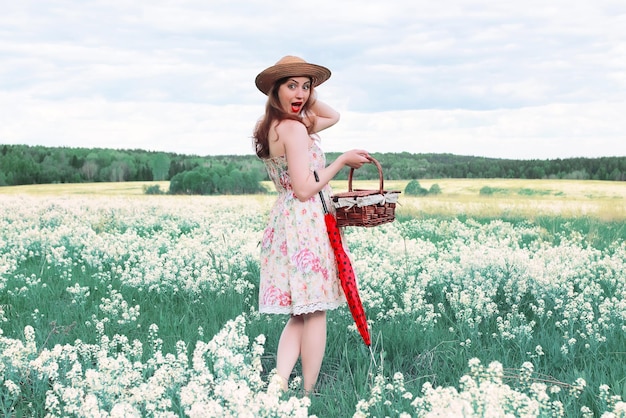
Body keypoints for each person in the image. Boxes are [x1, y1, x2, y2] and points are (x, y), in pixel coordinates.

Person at [253, 55, 370, 394]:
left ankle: (279, 383)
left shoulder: (276, 127)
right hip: (305, 223)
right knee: (316, 312)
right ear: (275, 90)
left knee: (301, 312)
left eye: (306, 86)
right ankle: (308, 392)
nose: (300, 93)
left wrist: (308, 94)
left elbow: (333, 116)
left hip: (287, 221)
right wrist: (341, 162)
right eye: (291, 85)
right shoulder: (293, 128)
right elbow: (305, 188)